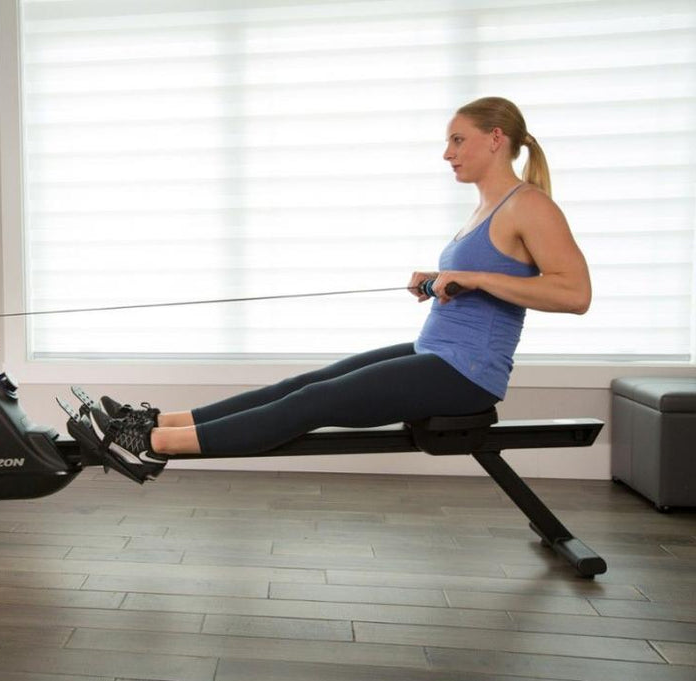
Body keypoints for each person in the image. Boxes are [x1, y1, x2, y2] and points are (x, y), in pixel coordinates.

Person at [89, 96, 592, 480]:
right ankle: (161, 421)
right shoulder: (486, 208)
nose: (448, 153)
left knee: (315, 402)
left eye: (458, 140)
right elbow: (490, 282)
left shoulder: (529, 205)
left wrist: (475, 278)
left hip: (467, 373)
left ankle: (151, 444)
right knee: (301, 385)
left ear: (495, 138)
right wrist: (442, 281)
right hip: (437, 351)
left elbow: (575, 295)